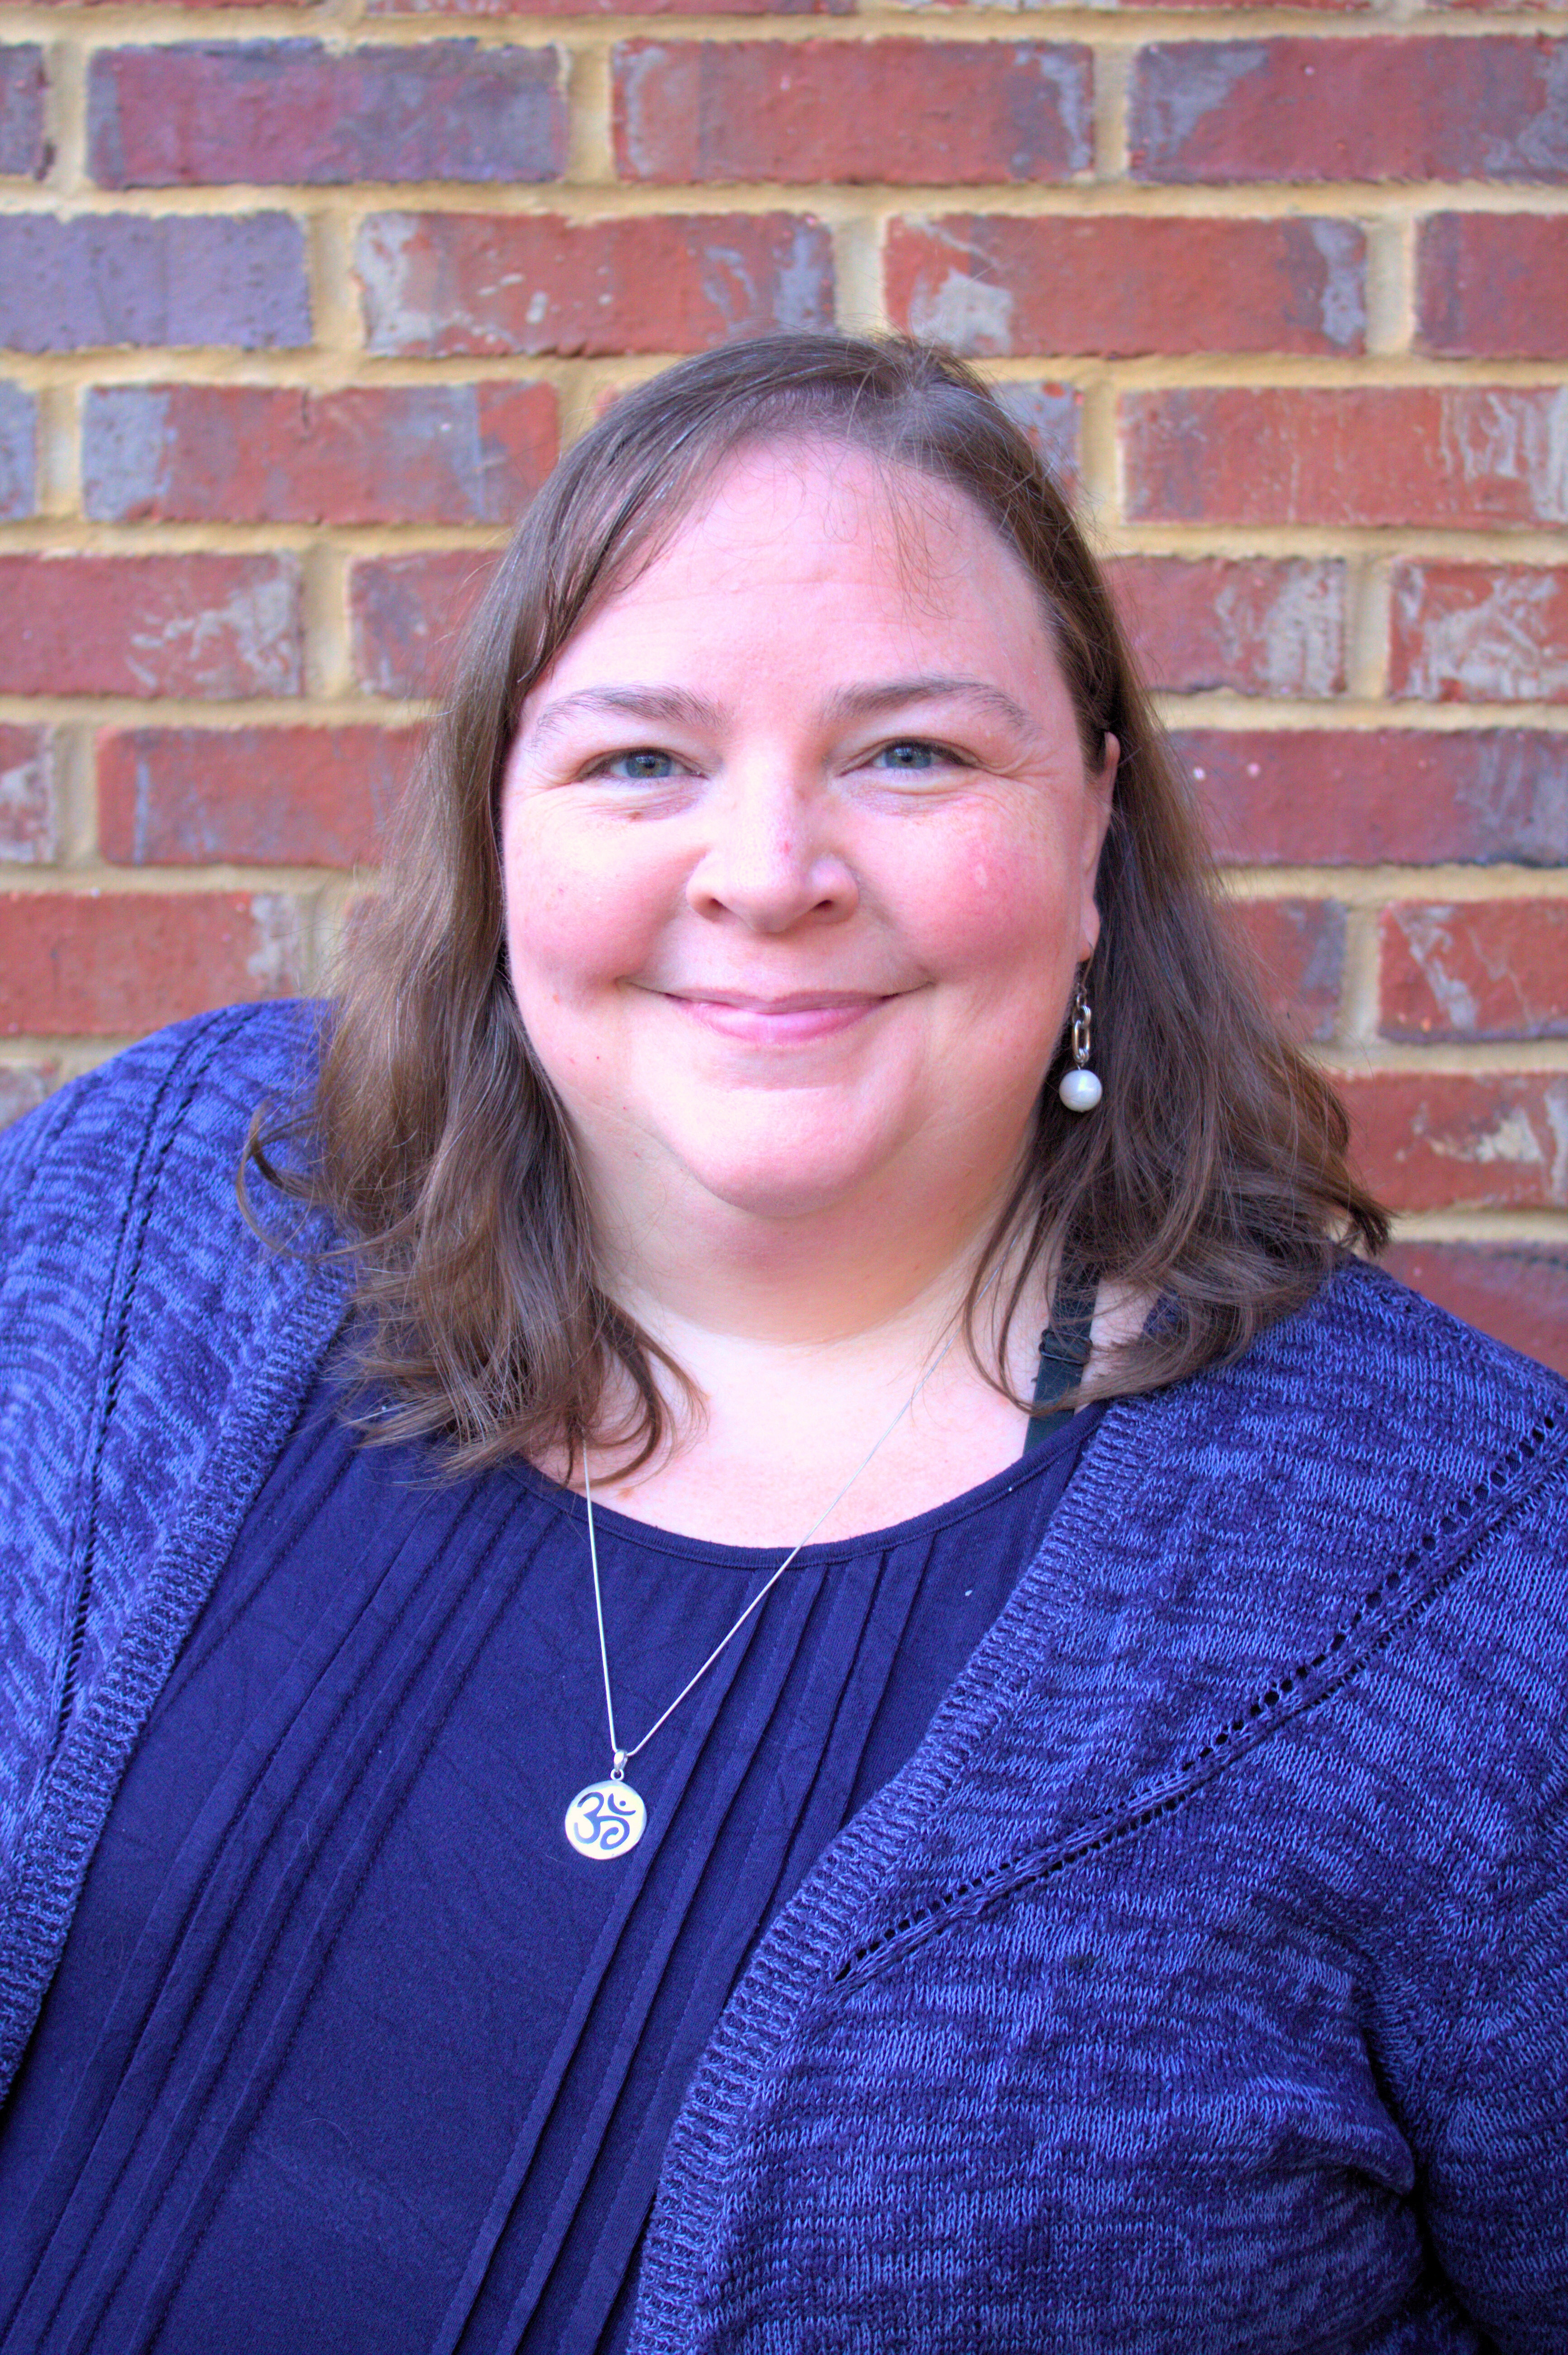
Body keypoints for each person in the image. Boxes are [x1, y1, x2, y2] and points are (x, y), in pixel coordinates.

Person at [0, 333, 1563, 2355]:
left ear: (1092, 825)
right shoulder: (153, 1215)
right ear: (500, 825)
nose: (766, 874)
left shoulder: (1465, 1597)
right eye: (637, 757)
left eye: (910, 754)